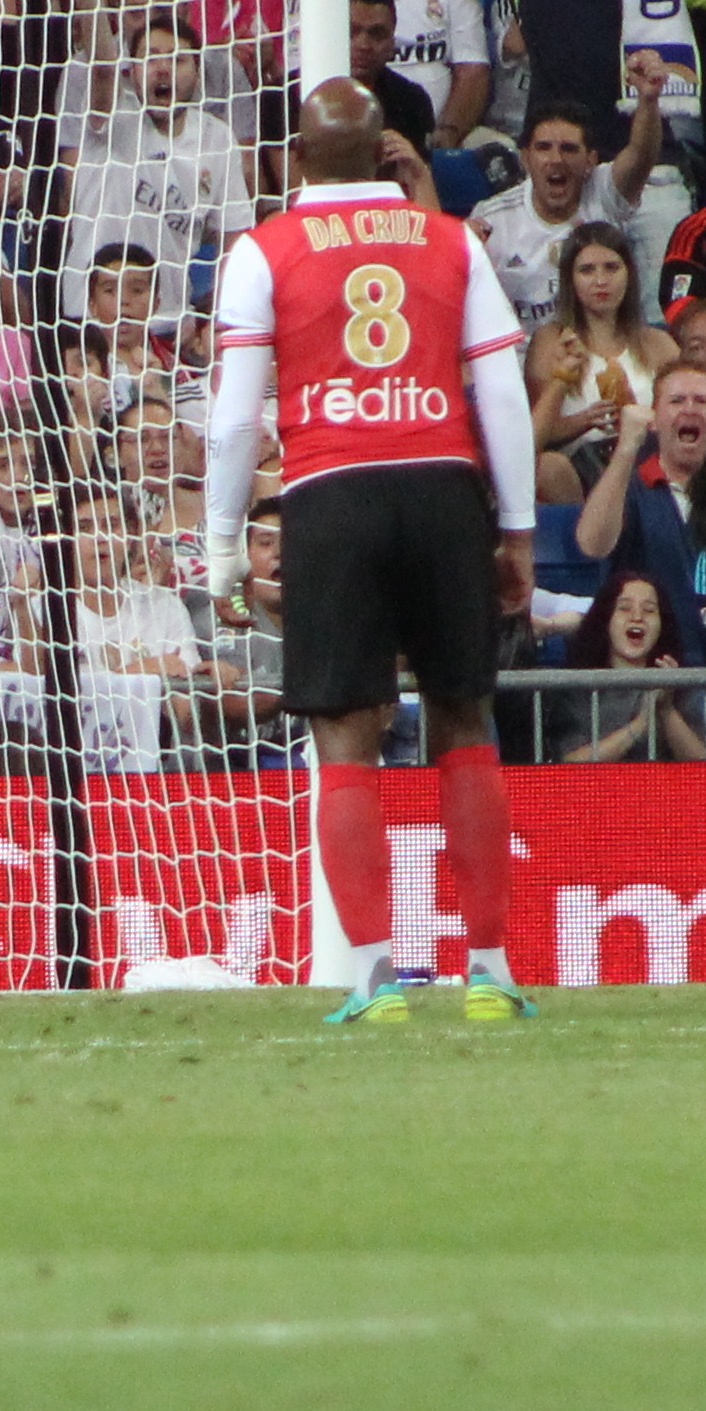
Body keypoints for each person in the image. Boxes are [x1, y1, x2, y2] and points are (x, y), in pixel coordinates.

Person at [201, 79, 537, 1022]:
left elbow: (235, 420)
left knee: (345, 735)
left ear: (297, 159)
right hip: (442, 487)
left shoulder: (263, 250)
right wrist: (516, 530)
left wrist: (222, 545)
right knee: (463, 719)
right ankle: (490, 972)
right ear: (387, 149)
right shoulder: (452, 241)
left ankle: (376, 977)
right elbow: (501, 394)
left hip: (331, 495)